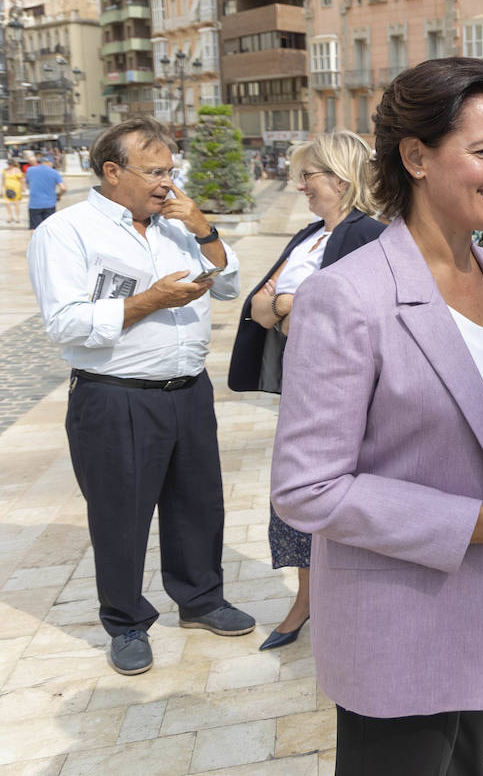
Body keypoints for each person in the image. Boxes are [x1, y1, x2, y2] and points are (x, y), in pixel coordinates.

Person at [270, 58, 483, 775]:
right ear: (417, 157)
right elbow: (307, 488)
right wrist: (476, 522)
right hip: (402, 614)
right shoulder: (349, 295)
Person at [27, 116, 254, 676]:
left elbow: (226, 285)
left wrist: (204, 229)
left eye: (171, 171)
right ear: (111, 171)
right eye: (155, 172)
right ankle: (125, 621)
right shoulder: (66, 232)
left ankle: (201, 600)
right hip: (115, 397)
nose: (166, 183)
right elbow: (67, 324)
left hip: (188, 390)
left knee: (199, 504)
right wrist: (150, 300)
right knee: (121, 515)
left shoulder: (176, 224)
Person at [227, 130, 385, 652]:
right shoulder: (310, 236)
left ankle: (344, 602)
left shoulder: (370, 234)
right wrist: (285, 307)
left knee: (338, 494)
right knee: (295, 494)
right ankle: (307, 598)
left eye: (309, 176)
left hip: (346, 393)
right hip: (302, 385)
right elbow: (259, 305)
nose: (300, 186)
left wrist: (290, 306)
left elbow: (346, 315)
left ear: (340, 179)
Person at [24, 155, 65, 229]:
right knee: (48, 228)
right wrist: (59, 196)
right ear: (50, 163)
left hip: (34, 204)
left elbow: (27, 185)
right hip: (50, 204)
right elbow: (63, 188)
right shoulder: (54, 172)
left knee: (34, 228)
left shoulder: (30, 170)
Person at [4, 160, 24, 224]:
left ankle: (17, 217)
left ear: (12, 164)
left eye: (10, 164)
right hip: (7, 189)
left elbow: (21, 179)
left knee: (16, 203)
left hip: (16, 189)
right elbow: (3, 180)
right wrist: (1, 189)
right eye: (8, 164)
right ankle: (10, 216)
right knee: (7, 203)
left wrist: (22, 187)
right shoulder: (5, 170)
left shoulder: (17, 170)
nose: (9, 165)